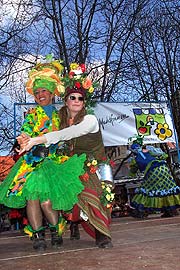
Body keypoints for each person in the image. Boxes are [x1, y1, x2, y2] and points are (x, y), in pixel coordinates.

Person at [18, 62, 114, 248]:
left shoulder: (89, 120)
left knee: (94, 195)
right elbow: (36, 128)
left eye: (80, 98)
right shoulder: (59, 116)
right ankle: (64, 228)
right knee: (54, 199)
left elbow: (64, 135)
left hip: (95, 165)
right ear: (66, 100)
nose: (77, 101)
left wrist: (36, 141)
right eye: (72, 97)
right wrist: (24, 139)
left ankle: (102, 234)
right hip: (69, 164)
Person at [0, 57, 86, 251]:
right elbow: (25, 132)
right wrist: (22, 140)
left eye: (44, 91)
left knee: (47, 202)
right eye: (37, 92)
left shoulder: (61, 115)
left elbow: (69, 134)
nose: (40, 95)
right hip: (31, 163)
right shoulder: (32, 114)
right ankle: (38, 235)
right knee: (32, 198)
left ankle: (56, 230)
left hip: (52, 163)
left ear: (52, 93)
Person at [128, 134, 180, 218]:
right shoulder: (149, 149)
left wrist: (131, 175)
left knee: (146, 190)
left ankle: (141, 211)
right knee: (166, 189)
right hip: (164, 169)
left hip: (153, 171)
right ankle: (170, 210)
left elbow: (132, 171)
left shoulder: (135, 158)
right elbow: (164, 155)